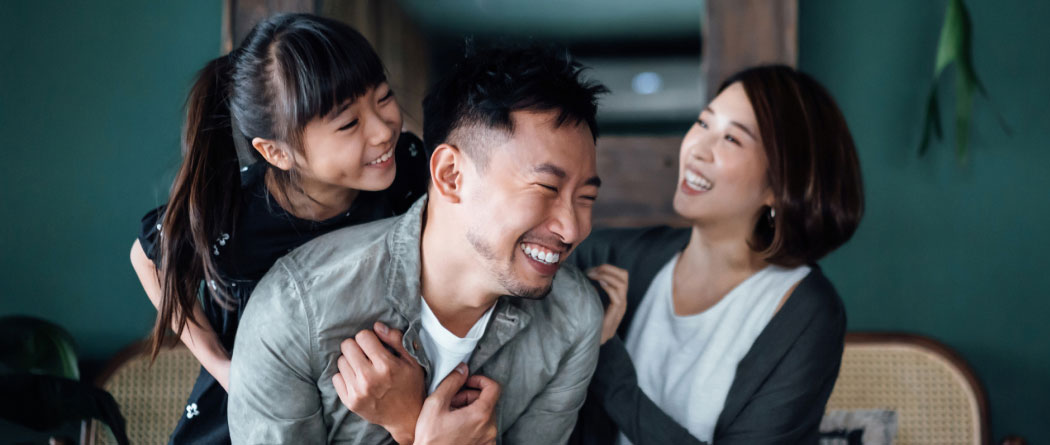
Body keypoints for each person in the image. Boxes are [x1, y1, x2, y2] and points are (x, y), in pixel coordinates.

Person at [227, 45, 609, 444]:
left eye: (586, 198)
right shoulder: (296, 310)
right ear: (450, 175)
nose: (571, 228)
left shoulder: (574, 318)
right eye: (546, 187)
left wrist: (412, 429)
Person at [128, 13, 428, 443]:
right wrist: (222, 365)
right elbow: (147, 257)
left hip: (360, 410)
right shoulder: (232, 214)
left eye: (383, 98)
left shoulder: (407, 168)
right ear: (277, 152)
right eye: (349, 124)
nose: (383, 131)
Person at [570, 65, 865, 444]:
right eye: (704, 123)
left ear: (780, 184)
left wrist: (608, 364)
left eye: (731, 139)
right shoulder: (606, 255)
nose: (698, 149)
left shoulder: (806, 312)